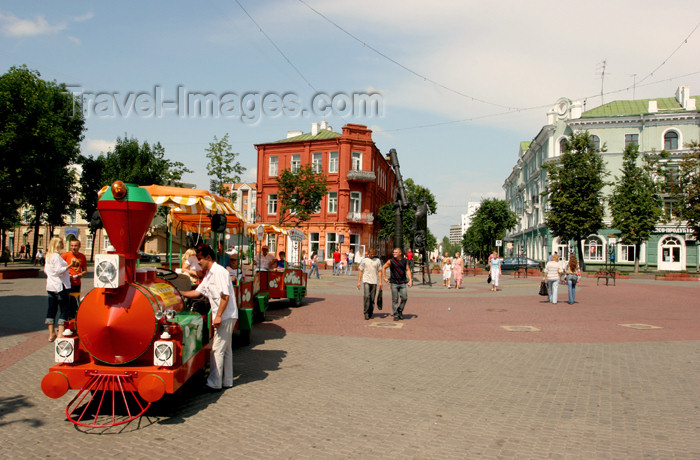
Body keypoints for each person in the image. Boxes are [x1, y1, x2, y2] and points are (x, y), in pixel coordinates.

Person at [181, 245, 238, 391]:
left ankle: (214, 383)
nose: (198, 262)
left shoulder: (219, 272)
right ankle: (227, 381)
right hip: (225, 315)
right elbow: (197, 293)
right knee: (226, 350)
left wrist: (218, 316)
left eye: (199, 259)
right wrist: (178, 292)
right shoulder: (209, 274)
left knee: (217, 349)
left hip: (225, 316)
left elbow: (225, 296)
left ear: (208, 258)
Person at [44, 237, 73, 341]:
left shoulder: (48, 256)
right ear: (56, 244)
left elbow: (46, 271)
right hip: (60, 286)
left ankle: (51, 334)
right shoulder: (56, 256)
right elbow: (58, 271)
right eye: (61, 243)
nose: (62, 245)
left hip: (50, 286)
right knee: (64, 309)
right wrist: (70, 266)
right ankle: (60, 333)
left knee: (51, 309)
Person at [381, 248, 413, 321]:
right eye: (393, 252)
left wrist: (410, 280)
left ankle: (400, 310)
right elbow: (384, 267)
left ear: (400, 253)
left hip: (402, 282)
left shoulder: (405, 261)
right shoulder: (391, 261)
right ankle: (396, 314)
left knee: (404, 297)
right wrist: (384, 278)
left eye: (396, 252)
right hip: (394, 283)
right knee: (395, 299)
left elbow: (408, 270)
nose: (394, 253)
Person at [61, 239, 88, 318]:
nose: (73, 247)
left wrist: (81, 274)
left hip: (77, 283)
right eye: (72, 246)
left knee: (74, 303)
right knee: (66, 303)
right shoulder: (65, 255)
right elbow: (59, 268)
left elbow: (85, 270)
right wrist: (66, 275)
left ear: (79, 246)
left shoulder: (82, 256)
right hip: (67, 283)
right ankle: (65, 321)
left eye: (75, 246)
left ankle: (73, 319)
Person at [357, 248, 383, 320]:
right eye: (371, 254)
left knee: (372, 298)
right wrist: (359, 282)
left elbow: (380, 271)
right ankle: (366, 312)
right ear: (368, 253)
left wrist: (380, 281)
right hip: (366, 281)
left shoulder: (377, 261)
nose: (372, 255)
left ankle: (371, 312)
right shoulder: (364, 260)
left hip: (374, 281)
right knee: (366, 296)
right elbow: (360, 271)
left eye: (373, 254)